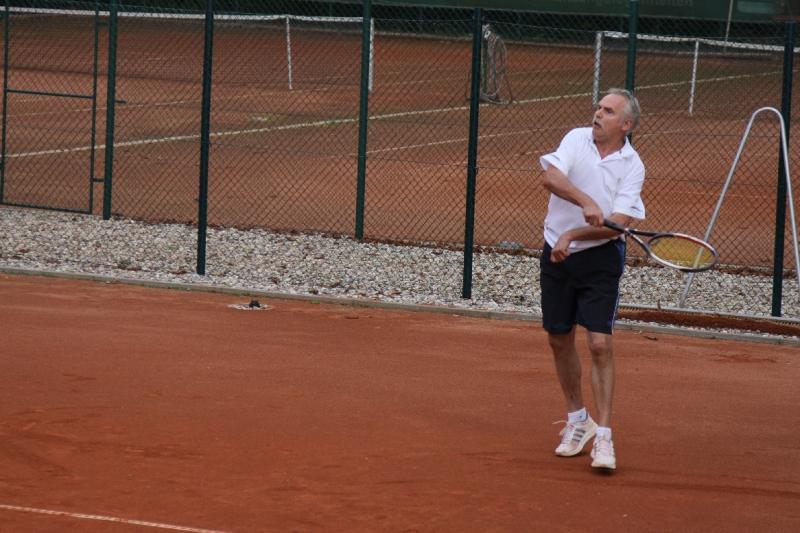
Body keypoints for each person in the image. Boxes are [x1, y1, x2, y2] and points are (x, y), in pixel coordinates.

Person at [537, 88, 645, 471]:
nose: (598, 113)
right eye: (598, 107)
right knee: (558, 338)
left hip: (600, 259)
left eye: (608, 111)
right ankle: (578, 421)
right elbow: (550, 177)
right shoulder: (576, 138)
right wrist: (585, 201)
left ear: (626, 125)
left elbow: (620, 223)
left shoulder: (633, 166)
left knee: (600, 343)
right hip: (556, 252)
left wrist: (574, 234)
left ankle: (605, 438)